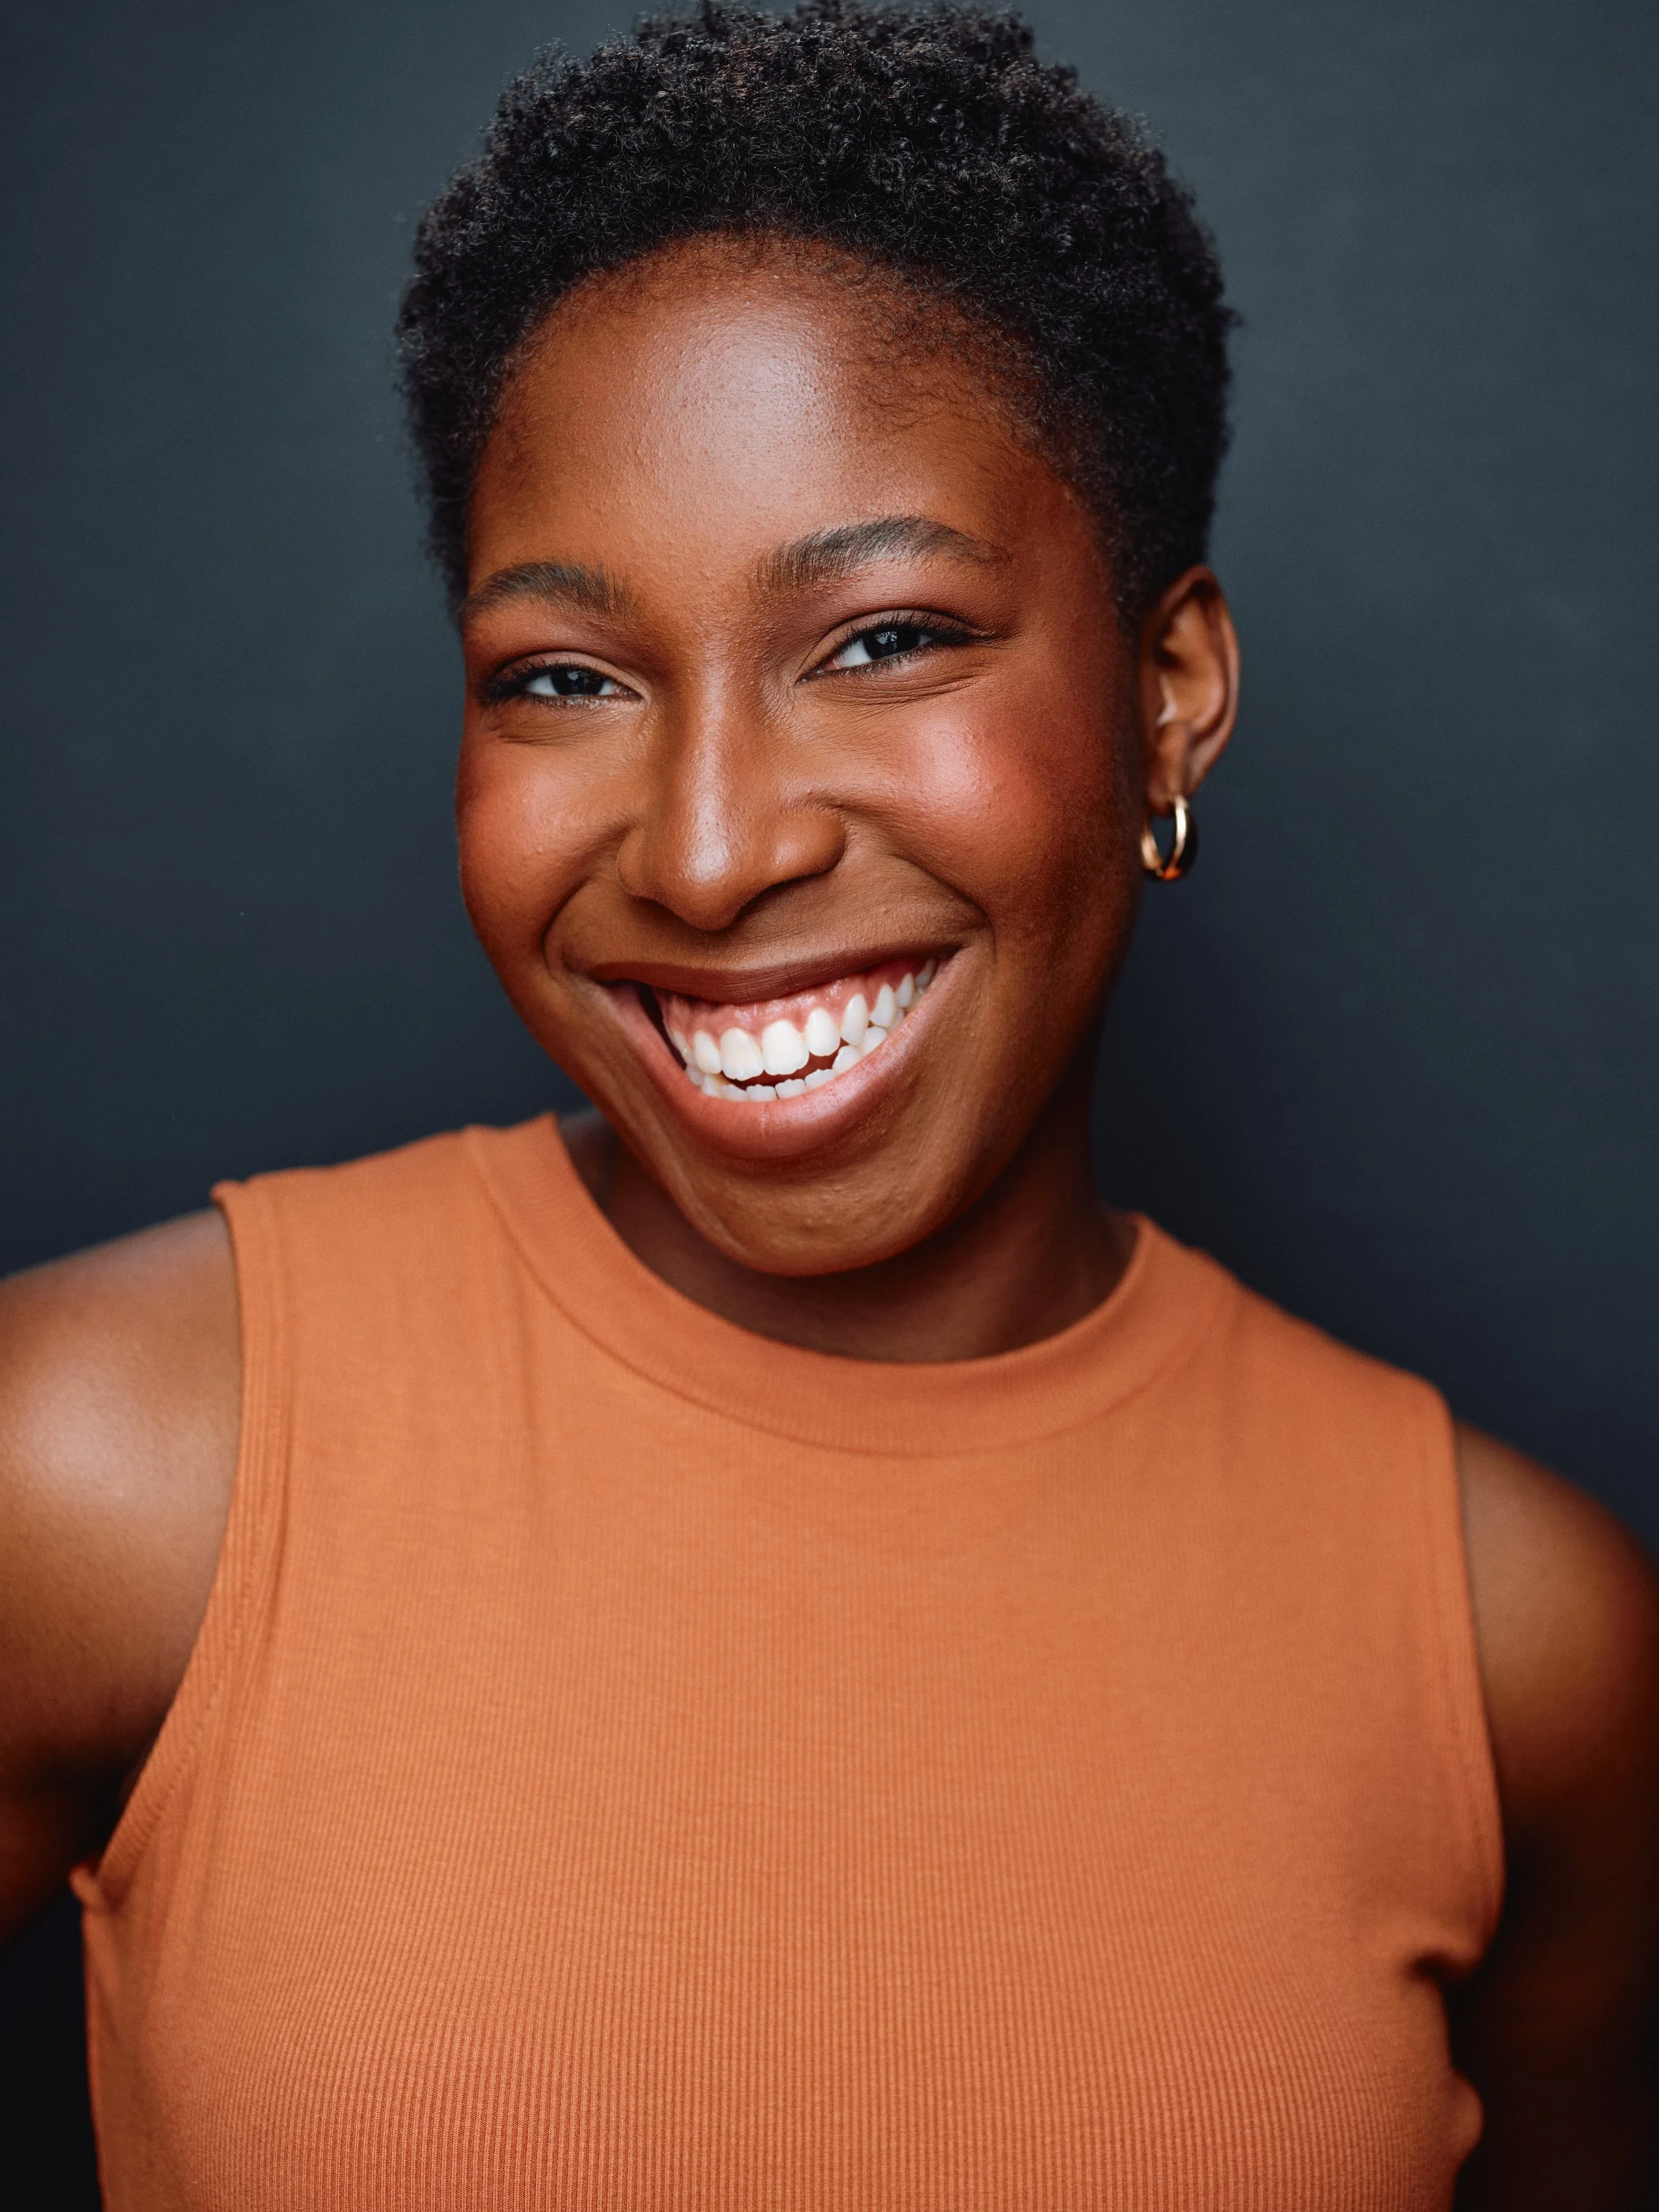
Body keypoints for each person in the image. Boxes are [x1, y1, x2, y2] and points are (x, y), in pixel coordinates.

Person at [1, 5, 1654, 2205]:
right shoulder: (108, 1473)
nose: (703, 852)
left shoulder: (1504, 1643)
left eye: (880, 640)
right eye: (564, 679)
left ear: (1169, 695)